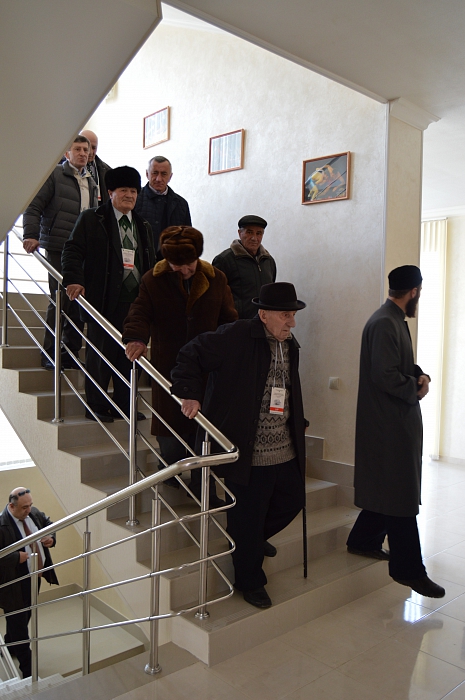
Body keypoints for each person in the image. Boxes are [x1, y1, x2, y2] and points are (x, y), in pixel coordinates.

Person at [171, 282, 307, 608]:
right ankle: (250, 581)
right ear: (264, 314)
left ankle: (251, 541)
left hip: (284, 445)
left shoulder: (289, 344)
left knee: (292, 500)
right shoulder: (236, 336)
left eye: (293, 314)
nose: (292, 322)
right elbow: (190, 353)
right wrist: (189, 393)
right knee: (248, 515)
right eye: (285, 315)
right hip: (248, 449)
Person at [346, 265, 445, 598]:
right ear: (413, 291)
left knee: (388, 488)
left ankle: (363, 540)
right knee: (400, 495)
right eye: (420, 292)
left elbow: (399, 365)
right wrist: (415, 388)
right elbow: (385, 375)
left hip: (391, 422)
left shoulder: (392, 319)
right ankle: (409, 570)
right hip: (387, 425)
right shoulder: (385, 323)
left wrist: (419, 374)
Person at [123, 226, 238, 505]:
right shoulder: (153, 279)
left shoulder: (216, 278)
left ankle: (203, 490)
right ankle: (170, 470)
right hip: (169, 367)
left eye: (189, 264)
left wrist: (231, 352)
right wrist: (136, 338)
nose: (185, 270)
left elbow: (229, 319)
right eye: (177, 264)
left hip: (207, 368)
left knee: (205, 433)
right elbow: (139, 311)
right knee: (171, 433)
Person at [61, 166, 155, 423]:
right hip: (102, 299)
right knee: (100, 356)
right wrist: (74, 280)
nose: (129, 195)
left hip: (135, 304)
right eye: (123, 190)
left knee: (130, 358)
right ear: (110, 192)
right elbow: (72, 250)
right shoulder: (92, 219)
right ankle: (97, 405)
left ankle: (124, 405)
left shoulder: (143, 225)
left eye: (133, 191)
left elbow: (150, 262)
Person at [23, 135, 98, 369]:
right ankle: (49, 352)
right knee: (59, 300)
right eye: (78, 149)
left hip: (82, 251)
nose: (83, 153)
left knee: (78, 301)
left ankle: (70, 353)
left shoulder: (92, 181)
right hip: (58, 245)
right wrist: (30, 234)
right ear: (67, 153)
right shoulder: (55, 175)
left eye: (86, 149)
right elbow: (34, 206)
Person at [0, 487, 58, 678]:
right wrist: (16, 557)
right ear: (11, 506)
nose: (29, 510)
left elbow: (49, 523)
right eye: (24, 507)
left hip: (35, 576)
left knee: (24, 616)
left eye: (30, 505)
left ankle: (10, 645)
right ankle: (28, 670)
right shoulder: (1, 524)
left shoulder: (33, 513)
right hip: (14, 583)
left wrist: (51, 538)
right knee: (19, 623)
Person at [212, 215, 276, 319]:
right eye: (249, 232)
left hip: (263, 322)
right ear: (239, 233)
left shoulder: (268, 261)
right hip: (236, 324)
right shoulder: (224, 260)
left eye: (258, 233)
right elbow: (214, 298)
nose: (254, 238)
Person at [135, 156, 192, 257]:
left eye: (164, 174)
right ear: (147, 174)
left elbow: (187, 239)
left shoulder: (181, 204)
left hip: (171, 261)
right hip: (141, 260)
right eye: (155, 173)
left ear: (170, 176)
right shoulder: (135, 199)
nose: (159, 179)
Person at [80, 129, 112, 203]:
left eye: (94, 148)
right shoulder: (62, 167)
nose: (90, 152)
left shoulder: (107, 171)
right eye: (87, 147)